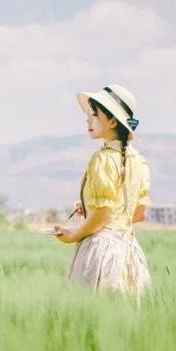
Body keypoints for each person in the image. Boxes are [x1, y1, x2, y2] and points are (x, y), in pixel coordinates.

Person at [47, 84, 152, 297]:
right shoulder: (139, 161)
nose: (88, 120)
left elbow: (104, 213)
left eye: (94, 115)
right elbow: (139, 213)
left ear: (113, 121)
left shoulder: (102, 159)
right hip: (130, 254)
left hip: (101, 254)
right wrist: (89, 210)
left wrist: (74, 234)